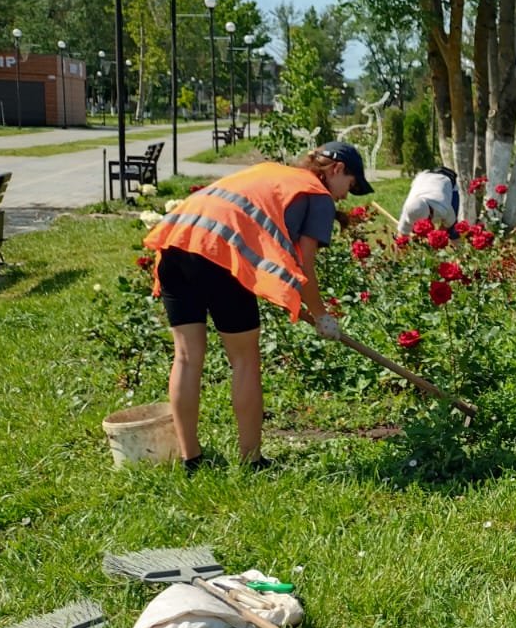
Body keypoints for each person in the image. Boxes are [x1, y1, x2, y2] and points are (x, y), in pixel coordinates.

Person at [142, 141, 371, 472]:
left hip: (177, 240)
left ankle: (191, 460)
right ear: (336, 170)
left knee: (187, 357)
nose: (346, 196)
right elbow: (305, 265)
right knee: (244, 360)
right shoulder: (316, 194)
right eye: (350, 185)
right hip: (219, 256)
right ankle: (251, 460)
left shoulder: (274, 172)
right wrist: (321, 316)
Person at [396, 165, 460, 236]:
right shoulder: (408, 209)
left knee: (453, 231)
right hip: (423, 179)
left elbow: (448, 224)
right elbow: (401, 236)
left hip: (446, 180)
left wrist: (435, 238)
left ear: (430, 215)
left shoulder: (443, 208)